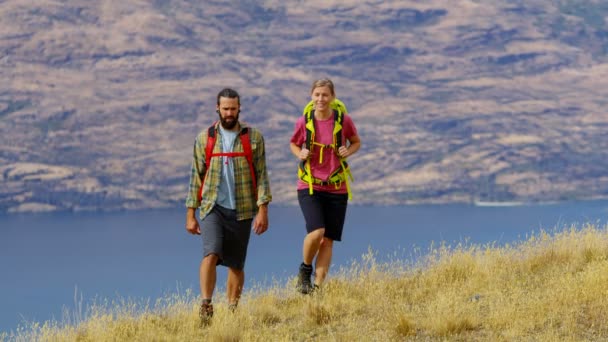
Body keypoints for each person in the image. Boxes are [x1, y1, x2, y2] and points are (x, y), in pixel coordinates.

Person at [185, 88, 272, 324]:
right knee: (211, 253)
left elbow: (262, 175)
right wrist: (190, 214)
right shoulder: (205, 138)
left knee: (236, 263)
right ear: (217, 108)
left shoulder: (253, 138)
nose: (229, 113)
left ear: (239, 108)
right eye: (225, 108)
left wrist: (263, 210)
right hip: (213, 206)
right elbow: (196, 177)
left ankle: (232, 312)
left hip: (243, 208)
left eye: (233, 108)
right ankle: (206, 305)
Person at [289, 78, 361, 294]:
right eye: (317, 94)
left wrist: (349, 150)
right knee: (317, 231)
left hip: (337, 187)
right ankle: (305, 269)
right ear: (312, 96)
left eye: (325, 95)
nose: (321, 99)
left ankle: (317, 289)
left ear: (332, 97)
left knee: (328, 239)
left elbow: (356, 141)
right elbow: (293, 143)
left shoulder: (343, 120)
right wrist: (299, 153)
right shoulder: (304, 121)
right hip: (310, 185)